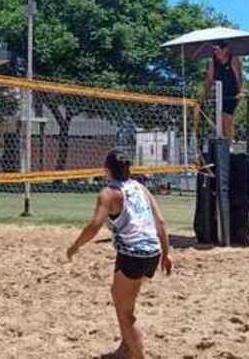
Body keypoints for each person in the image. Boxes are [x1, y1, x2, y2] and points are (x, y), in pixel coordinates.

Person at [67, 149, 172, 359]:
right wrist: (166, 254)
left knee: (126, 314)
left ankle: (136, 354)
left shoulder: (109, 193)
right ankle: (125, 347)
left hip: (133, 254)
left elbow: (94, 226)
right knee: (120, 296)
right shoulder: (140, 187)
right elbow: (160, 222)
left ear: (106, 170)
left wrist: (75, 246)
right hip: (151, 251)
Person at [204, 41, 244, 140]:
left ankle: (228, 143)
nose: (215, 53)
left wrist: (241, 91)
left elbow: (239, 77)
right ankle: (222, 142)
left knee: (226, 118)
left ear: (225, 49)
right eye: (214, 50)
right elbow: (209, 79)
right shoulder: (213, 62)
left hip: (232, 94)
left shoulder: (233, 59)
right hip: (218, 94)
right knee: (219, 120)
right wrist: (206, 94)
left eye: (217, 50)